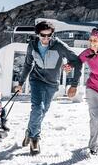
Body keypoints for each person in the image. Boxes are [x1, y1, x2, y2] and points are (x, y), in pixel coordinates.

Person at [14, 20, 82, 155]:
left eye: (49, 35)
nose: (46, 39)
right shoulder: (32, 45)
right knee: (38, 108)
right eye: (42, 35)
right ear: (37, 34)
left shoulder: (59, 46)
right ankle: (35, 139)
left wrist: (73, 82)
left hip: (52, 83)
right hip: (36, 80)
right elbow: (28, 64)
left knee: (43, 111)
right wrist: (20, 83)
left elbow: (77, 60)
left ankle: (29, 131)